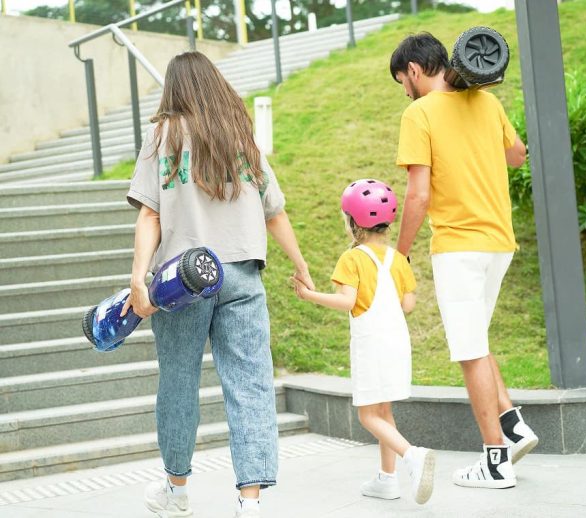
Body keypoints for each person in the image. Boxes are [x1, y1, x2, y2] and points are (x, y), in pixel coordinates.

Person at [123, 51, 314, 518]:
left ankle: (176, 490)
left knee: (179, 381)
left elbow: (149, 212)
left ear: (175, 88)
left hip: (183, 281)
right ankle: (251, 502)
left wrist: (136, 276)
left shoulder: (163, 135)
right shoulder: (240, 136)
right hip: (242, 273)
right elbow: (275, 211)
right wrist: (301, 263)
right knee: (249, 384)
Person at [389, 32, 539, 489]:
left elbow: (417, 194)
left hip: (459, 246)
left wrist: (400, 255)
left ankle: (495, 462)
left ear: (414, 71)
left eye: (402, 82)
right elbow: (518, 156)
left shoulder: (419, 113)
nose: (405, 91)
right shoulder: (487, 104)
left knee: (469, 350)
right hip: (499, 243)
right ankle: (513, 426)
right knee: (475, 338)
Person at [291, 179, 435, 505]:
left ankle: (412, 455)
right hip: (398, 341)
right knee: (384, 411)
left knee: (368, 416)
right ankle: (387, 479)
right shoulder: (398, 258)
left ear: (353, 222)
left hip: (371, 343)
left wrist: (309, 294)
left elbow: (347, 301)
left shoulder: (352, 258)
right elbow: (409, 304)